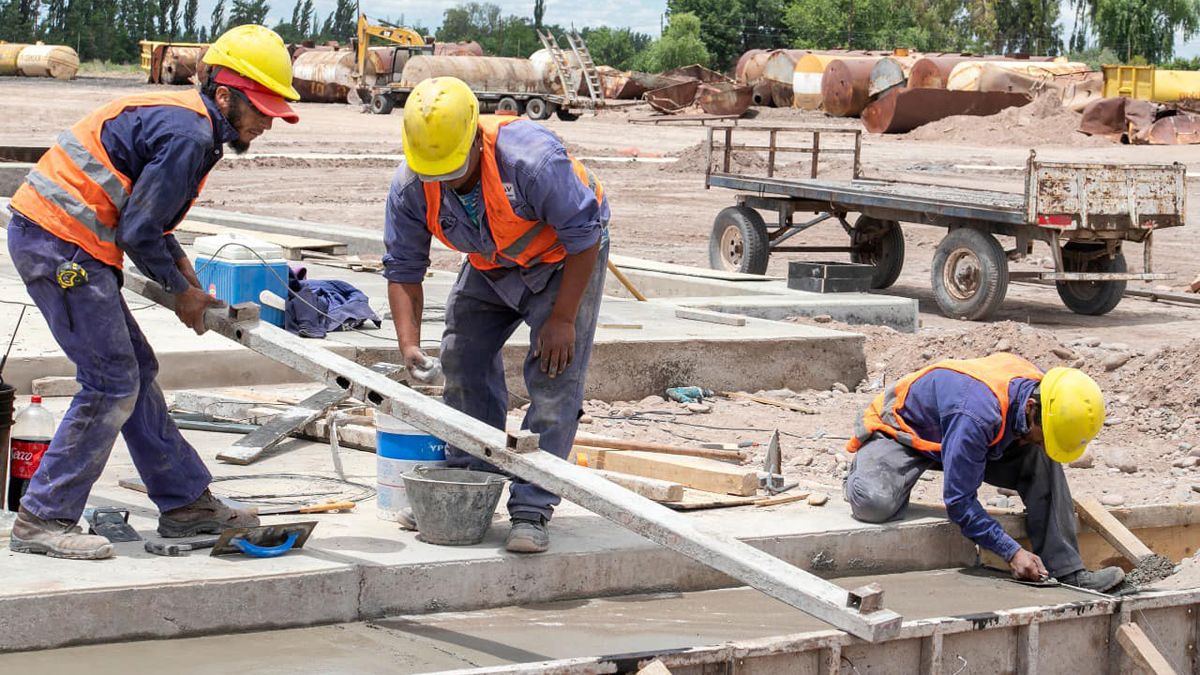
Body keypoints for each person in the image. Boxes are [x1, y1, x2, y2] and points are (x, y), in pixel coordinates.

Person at [6, 25, 301, 560]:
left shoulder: (191, 124)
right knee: (111, 380)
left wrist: (186, 278)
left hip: (66, 241)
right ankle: (42, 518)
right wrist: (182, 293)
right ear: (225, 96)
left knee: (135, 371)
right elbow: (139, 230)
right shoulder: (190, 136)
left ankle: (185, 503)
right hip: (59, 246)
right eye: (260, 109)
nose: (266, 123)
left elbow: (152, 221)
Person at [383, 77, 609, 554]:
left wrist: (563, 318)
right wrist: (408, 343)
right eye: (434, 173)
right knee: (461, 356)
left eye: (452, 169)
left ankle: (531, 508)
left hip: (563, 261)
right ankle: (470, 487)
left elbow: (584, 237)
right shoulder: (410, 185)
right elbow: (403, 268)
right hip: (491, 262)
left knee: (554, 377)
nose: (444, 181)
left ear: (473, 139)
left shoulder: (531, 161)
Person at [842, 352, 1125, 592]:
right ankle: (859, 475)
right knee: (874, 503)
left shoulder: (1046, 395)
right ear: (1030, 408)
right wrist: (1011, 552)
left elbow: (1031, 437)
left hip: (959, 433)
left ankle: (1067, 569)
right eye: (1042, 437)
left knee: (1041, 459)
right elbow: (959, 502)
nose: (1040, 443)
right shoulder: (976, 415)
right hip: (902, 432)